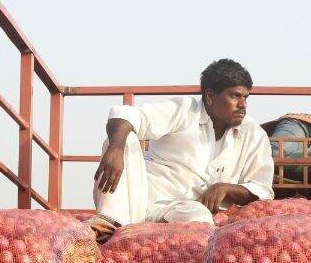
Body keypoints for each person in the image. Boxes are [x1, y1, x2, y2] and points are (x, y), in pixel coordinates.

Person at [88, 59, 274, 241]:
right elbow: (127, 115)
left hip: (183, 209)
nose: (243, 105)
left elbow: (262, 190)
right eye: (235, 96)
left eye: (246, 97)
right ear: (210, 97)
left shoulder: (254, 134)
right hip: (139, 203)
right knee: (124, 137)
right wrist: (116, 147)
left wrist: (225, 188)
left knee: (199, 218)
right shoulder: (184, 110)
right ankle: (108, 229)